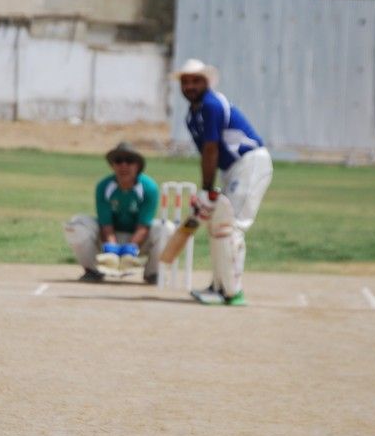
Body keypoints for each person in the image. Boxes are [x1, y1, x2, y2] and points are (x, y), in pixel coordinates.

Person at [172, 58, 273, 306]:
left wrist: (206, 190)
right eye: (185, 82)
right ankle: (219, 285)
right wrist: (209, 192)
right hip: (232, 169)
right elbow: (209, 155)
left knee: (231, 226)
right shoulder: (192, 115)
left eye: (195, 81)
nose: (190, 86)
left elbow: (211, 150)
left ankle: (232, 291)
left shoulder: (211, 105)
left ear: (206, 82)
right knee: (217, 225)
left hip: (250, 163)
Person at [64, 142, 166, 284]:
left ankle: (152, 273)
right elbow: (106, 224)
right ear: (112, 165)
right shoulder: (104, 186)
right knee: (76, 225)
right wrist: (112, 251)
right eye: (118, 161)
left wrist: (129, 250)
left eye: (129, 161)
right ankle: (93, 271)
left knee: (166, 229)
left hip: (139, 241)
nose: (123, 165)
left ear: (137, 166)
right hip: (109, 238)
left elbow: (143, 226)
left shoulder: (149, 188)